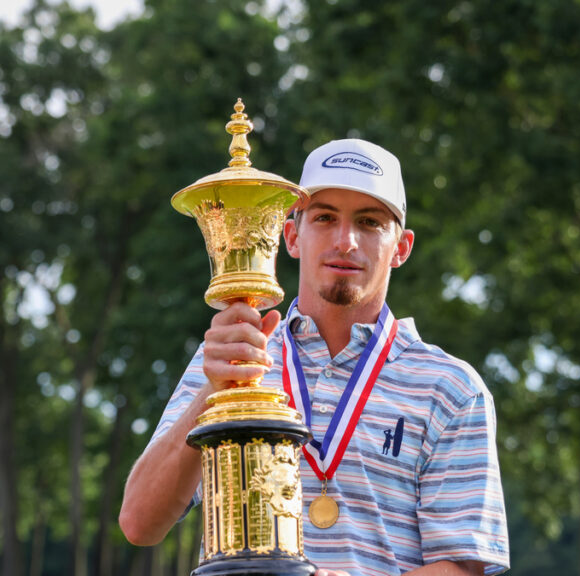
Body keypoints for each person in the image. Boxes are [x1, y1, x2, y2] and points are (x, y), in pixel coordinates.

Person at [120, 139, 510, 576]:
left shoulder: (451, 388)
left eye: (370, 222)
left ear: (401, 247)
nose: (345, 241)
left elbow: (461, 569)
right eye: (325, 217)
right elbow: (140, 523)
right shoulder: (230, 359)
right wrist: (213, 391)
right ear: (290, 236)